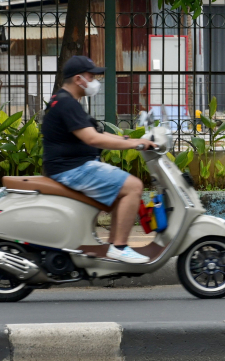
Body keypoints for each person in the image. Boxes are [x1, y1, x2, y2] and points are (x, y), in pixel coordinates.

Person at [42, 56, 157, 264]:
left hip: (69, 166)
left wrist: (131, 139)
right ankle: (119, 247)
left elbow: (95, 132)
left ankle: (113, 249)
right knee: (133, 186)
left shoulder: (63, 100)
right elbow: (92, 139)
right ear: (79, 79)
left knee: (121, 194)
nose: (95, 80)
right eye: (91, 76)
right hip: (72, 168)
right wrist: (134, 145)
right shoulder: (68, 104)